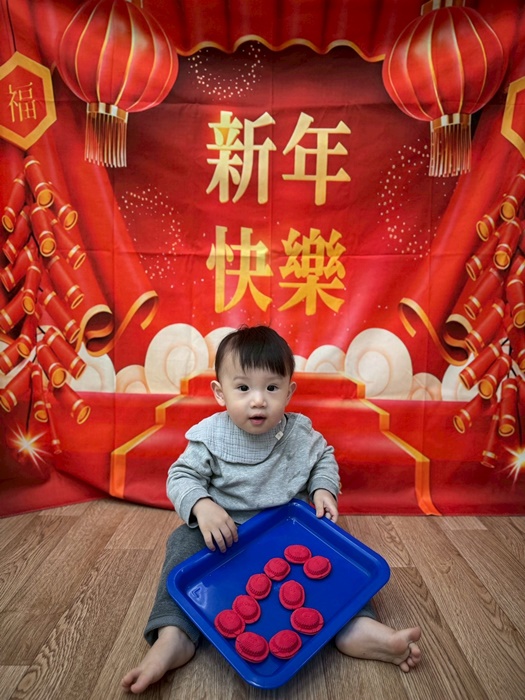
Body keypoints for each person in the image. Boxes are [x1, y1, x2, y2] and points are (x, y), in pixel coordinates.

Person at [122, 325, 421, 694]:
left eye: (272, 388)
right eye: (243, 388)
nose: (258, 400)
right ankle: (174, 635)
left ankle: (357, 626)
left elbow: (324, 458)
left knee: (331, 556)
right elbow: (181, 475)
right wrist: (202, 505)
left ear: (289, 392)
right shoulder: (209, 437)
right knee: (181, 542)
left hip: (287, 534)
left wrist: (323, 488)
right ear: (220, 392)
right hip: (226, 534)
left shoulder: (299, 434)